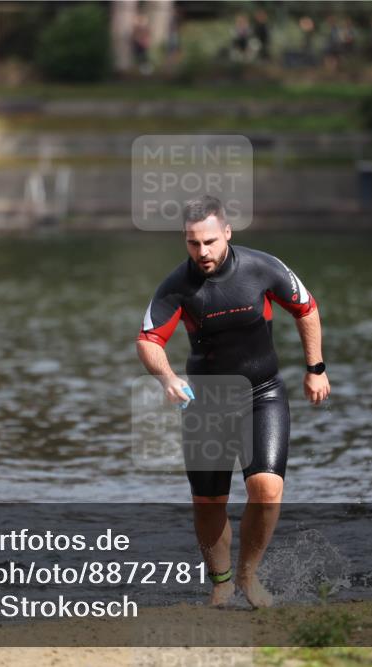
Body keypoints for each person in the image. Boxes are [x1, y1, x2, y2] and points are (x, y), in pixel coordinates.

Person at [136, 196, 330, 608]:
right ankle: (221, 582)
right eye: (192, 244)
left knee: (266, 489)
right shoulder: (177, 287)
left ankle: (248, 573)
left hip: (263, 393)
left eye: (209, 241)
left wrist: (315, 368)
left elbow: (306, 308)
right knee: (209, 501)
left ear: (227, 232)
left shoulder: (262, 268)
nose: (202, 252)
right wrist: (168, 378)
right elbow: (149, 339)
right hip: (206, 402)